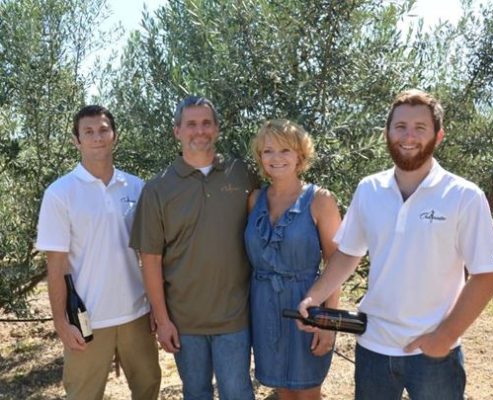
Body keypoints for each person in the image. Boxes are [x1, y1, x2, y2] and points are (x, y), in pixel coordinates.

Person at [297, 89, 493, 400]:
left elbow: (486, 274)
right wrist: (314, 298)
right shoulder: (369, 189)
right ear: (387, 132)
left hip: (435, 355)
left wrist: (445, 336)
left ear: (438, 136)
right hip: (372, 347)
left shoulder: (464, 196)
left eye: (420, 128)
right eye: (400, 126)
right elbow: (349, 252)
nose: (409, 136)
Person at [129, 96, 257, 400]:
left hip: (235, 316)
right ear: (177, 131)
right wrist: (162, 320)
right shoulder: (157, 189)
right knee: (196, 393)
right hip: (184, 320)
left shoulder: (242, 175)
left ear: (217, 128)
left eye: (206, 123)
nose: (199, 131)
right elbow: (150, 259)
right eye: (191, 124)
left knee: (237, 392)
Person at [36, 105, 161, 400]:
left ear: (114, 135)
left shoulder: (137, 187)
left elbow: (150, 255)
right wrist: (60, 323)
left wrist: (158, 305)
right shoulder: (60, 193)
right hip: (87, 321)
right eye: (88, 132)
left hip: (137, 316)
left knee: (148, 389)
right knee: (83, 395)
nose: (97, 137)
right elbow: (55, 266)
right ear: (76, 141)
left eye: (103, 130)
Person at [244, 119, 341, 400]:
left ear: (300, 155)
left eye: (285, 150)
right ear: (260, 157)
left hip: (307, 305)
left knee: (308, 391)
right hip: (263, 305)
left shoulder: (320, 200)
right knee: (283, 390)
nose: (276, 158)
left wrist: (328, 323)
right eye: (268, 151)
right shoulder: (255, 200)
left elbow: (337, 265)